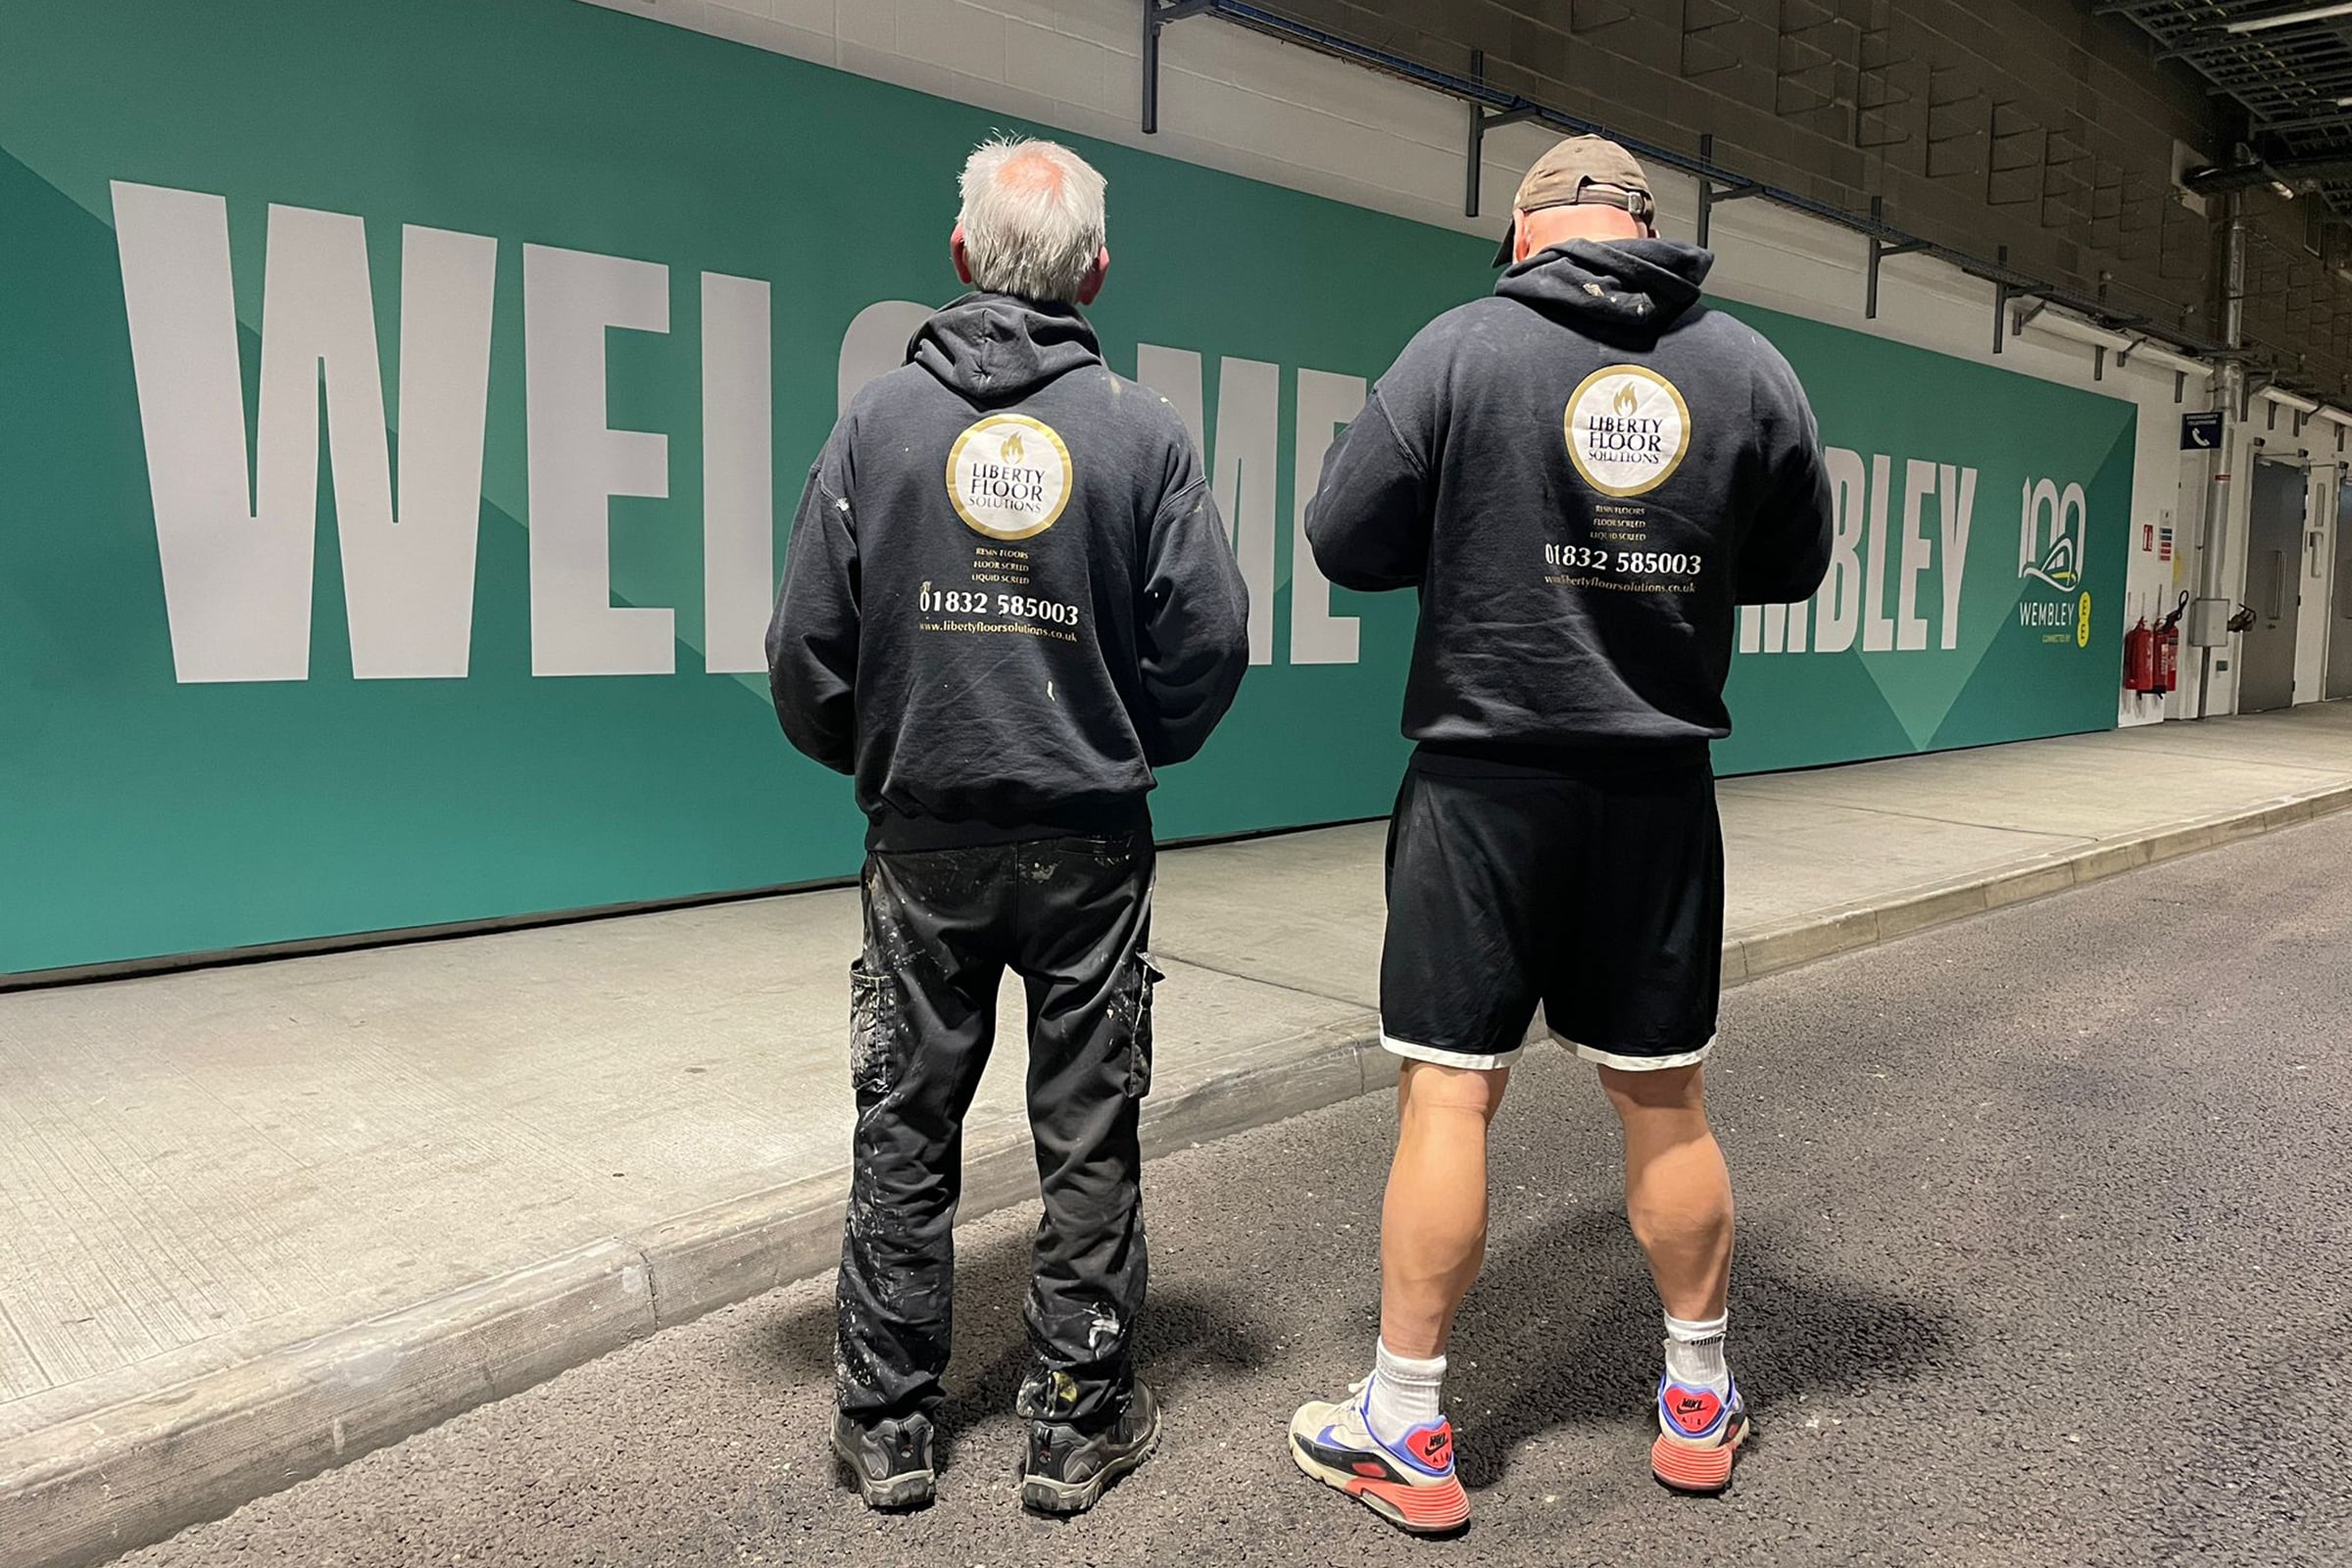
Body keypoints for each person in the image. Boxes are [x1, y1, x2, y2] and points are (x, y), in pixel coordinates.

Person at [1287, 135, 1834, 1533]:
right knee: (1666, 1099)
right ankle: (1698, 1401)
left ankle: (1406, 1428)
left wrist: (1484, 521)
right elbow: (1792, 560)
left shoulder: (1462, 348)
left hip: (1484, 786)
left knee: (1451, 1096)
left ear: (1525, 232)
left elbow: (1345, 537)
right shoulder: (1748, 369)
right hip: (1656, 795)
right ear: (1646, 229)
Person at [767, 134, 1250, 1516]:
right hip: (1091, 842)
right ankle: (1075, 1423)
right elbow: (1209, 643)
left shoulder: (878, 422)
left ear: (964, 259)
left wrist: (881, 754)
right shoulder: (1143, 432)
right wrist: (1124, 743)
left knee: (904, 1127)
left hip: (922, 840)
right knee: (1088, 1132)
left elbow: (807, 644)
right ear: (1096, 272)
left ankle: (891, 1425)